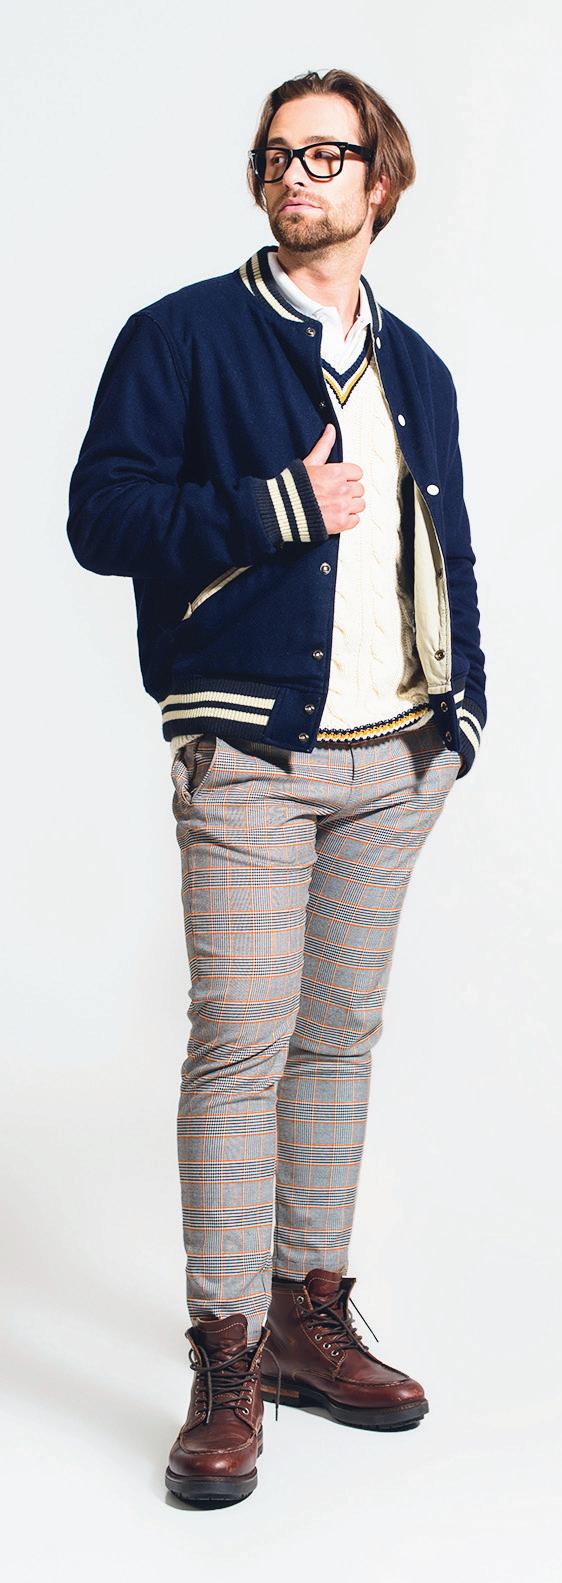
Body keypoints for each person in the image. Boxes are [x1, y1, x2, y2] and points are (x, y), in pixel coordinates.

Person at [66, 66, 487, 1508]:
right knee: (240, 1045)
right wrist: (278, 504)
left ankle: (312, 1314)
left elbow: (448, 549)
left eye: (326, 153)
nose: (295, 172)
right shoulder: (181, 336)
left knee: (339, 1042)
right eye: (276, 154)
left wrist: (462, 717)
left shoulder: (417, 367)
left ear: (381, 181)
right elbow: (101, 517)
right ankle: (227, 1356)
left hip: (397, 759)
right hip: (251, 753)